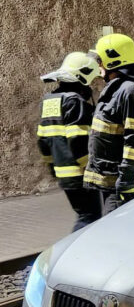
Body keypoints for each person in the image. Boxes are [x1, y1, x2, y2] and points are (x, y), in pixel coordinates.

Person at [84, 33, 134, 215]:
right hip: (111, 183)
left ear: (113, 61)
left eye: (100, 61)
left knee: (115, 237)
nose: (98, 66)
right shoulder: (117, 89)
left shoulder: (131, 91)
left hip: (122, 186)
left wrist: (126, 180)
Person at [37, 52, 103, 230]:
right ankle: (77, 253)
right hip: (79, 174)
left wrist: (53, 168)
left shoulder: (49, 101)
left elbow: (43, 140)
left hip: (63, 173)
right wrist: (90, 170)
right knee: (90, 218)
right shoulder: (74, 101)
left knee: (84, 214)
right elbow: (77, 141)